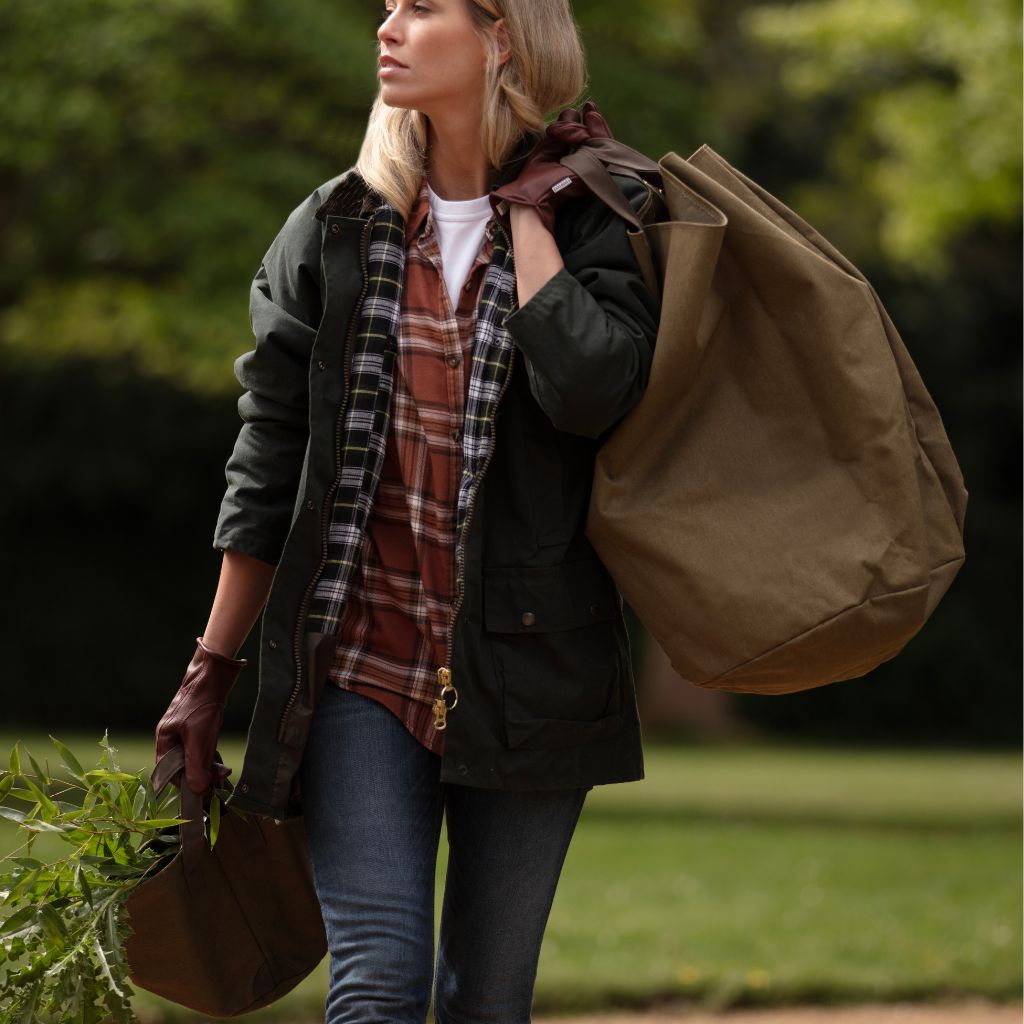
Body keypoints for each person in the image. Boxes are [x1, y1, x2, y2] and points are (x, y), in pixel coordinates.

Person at [154, 0, 660, 1020]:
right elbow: (268, 462)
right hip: (359, 668)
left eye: (419, 6)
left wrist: (526, 213)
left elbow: (592, 389)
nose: (385, 27)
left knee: (486, 999)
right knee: (378, 978)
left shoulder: (606, 209)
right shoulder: (335, 223)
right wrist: (210, 670)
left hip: (531, 671)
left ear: (502, 32)